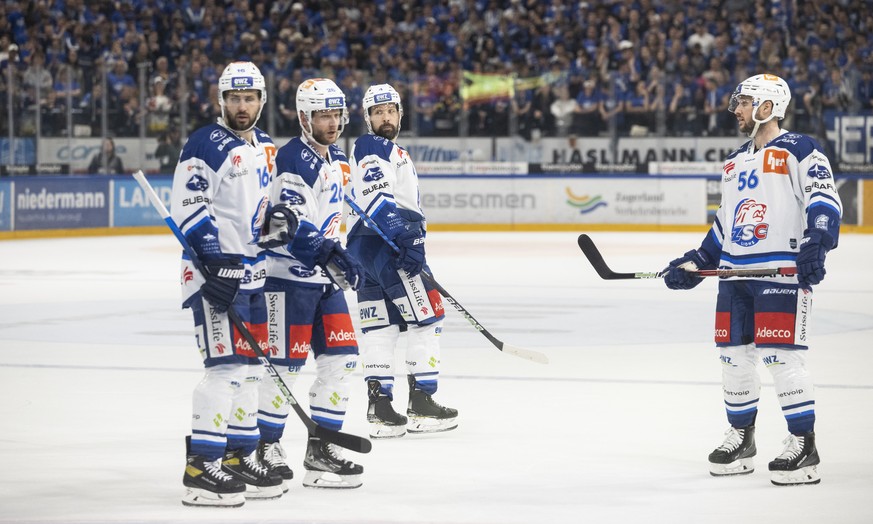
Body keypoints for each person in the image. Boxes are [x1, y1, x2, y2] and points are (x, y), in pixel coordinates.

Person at [661, 74, 842, 486]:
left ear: (767, 107)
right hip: (733, 272)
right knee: (733, 358)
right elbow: (725, 223)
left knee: (781, 358)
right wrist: (697, 259)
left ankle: (804, 445)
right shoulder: (734, 161)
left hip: (780, 270)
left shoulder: (801, 149)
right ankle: (742, 437)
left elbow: (824, 199)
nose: (736, 110)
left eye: (744, 103)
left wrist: (817, 242)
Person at [171, 61, 286, 507]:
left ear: (261, 101)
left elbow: (267, 211)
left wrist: (283, 223)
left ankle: (238, 455)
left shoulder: (267, 147)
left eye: (250, 98)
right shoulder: (206, 142)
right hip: (213, 277)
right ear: (221, 100)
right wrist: (215, 263)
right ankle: (201, 466)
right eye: (235, 98)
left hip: (255, 276)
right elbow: (193, 209)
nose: (242, 106)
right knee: (224, 370)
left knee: (251, 371)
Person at [256, 77, 366, 489]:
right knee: (285, 367)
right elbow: (285, 224)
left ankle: (322, 450)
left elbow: (334, 219)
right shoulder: (292, 159)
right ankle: (265, 445)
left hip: (325, 281)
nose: (332, 122)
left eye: (336, 114)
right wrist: (324, 250)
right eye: (323, 115)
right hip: (287, 281)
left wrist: (342, 250)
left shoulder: (337, 158)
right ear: (304, 117)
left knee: (343, 360)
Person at [346, 83, 458, 440]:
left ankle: (380, 407)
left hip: (364, 249)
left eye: (390, 111)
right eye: (377, 113)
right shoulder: (373, 146)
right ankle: (422, 402)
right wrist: (406, 238)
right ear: (367, 118)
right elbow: (378, 196)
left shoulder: (384, 148)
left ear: (399, 113)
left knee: (381, 327)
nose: (385, 117)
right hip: (386, 244)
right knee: (428, 317)